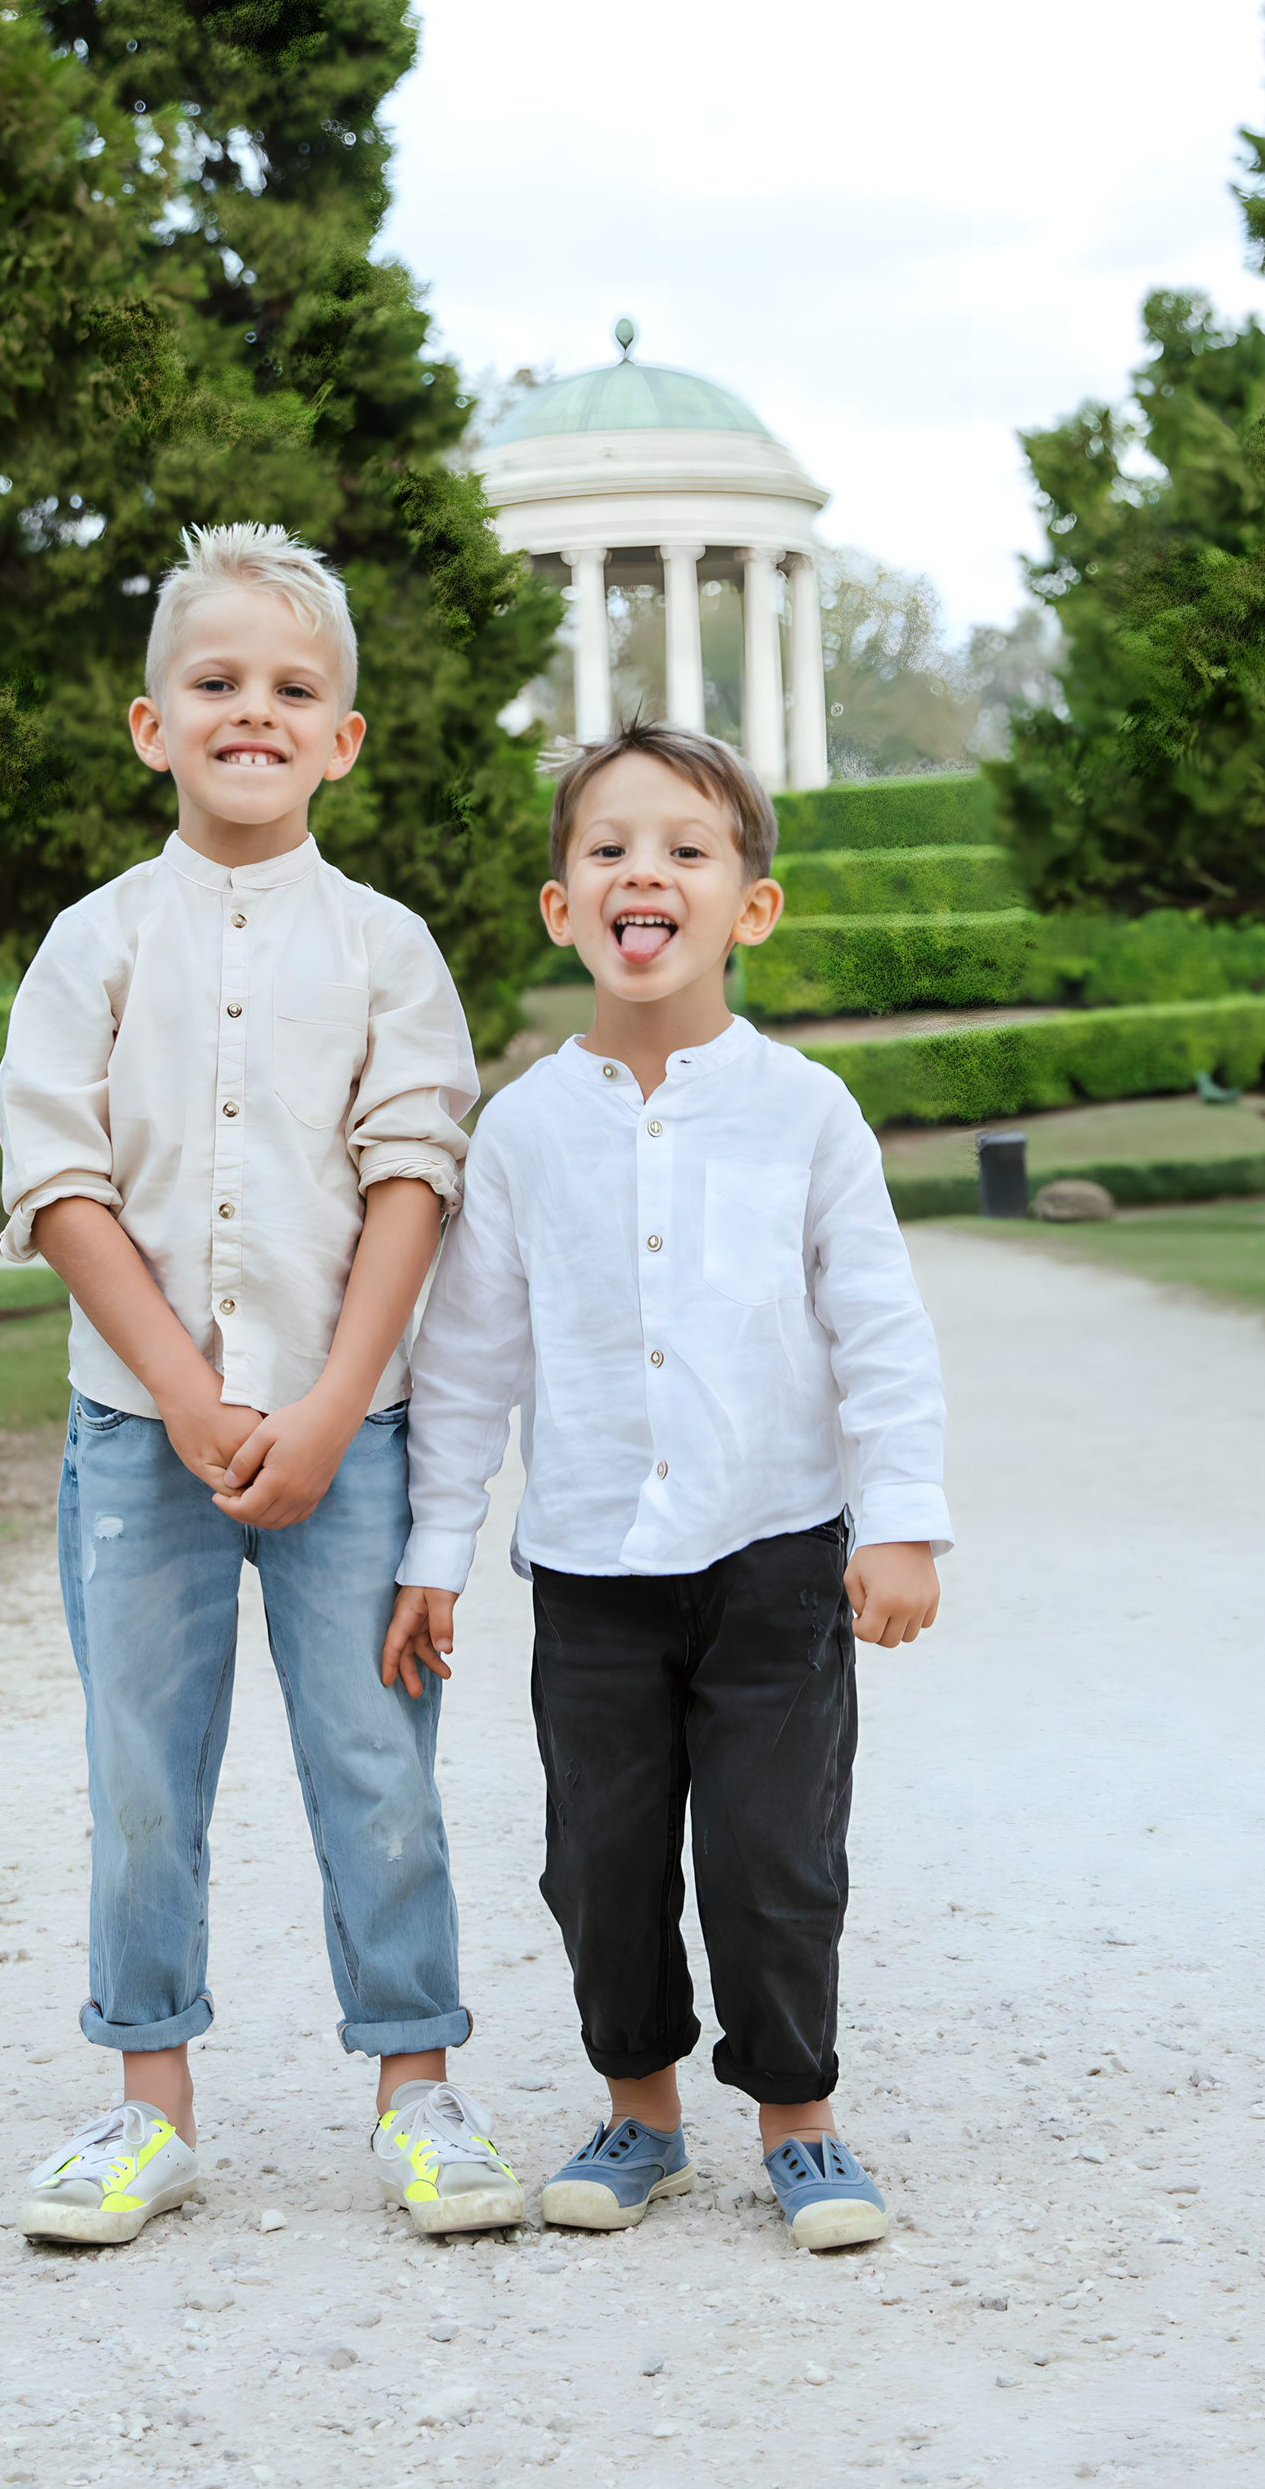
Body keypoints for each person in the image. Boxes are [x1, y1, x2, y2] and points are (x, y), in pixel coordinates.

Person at [0, 525, 522, 2247]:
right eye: (215, 681)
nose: (254, 711)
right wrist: (186, 1389)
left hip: (347, 1437)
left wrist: (330, 1405)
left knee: (377, 1764)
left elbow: (413, 1179)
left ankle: (417, 2089)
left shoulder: (387, 949)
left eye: (293, 688)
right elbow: (59, 1181)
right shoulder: (93, 943)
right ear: (152, 724)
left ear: (341, 739)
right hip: (137, 1434)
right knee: (142, 1769)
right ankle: (148, 2104)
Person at [384, 717, 951, 2254]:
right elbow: (468, 1362)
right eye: (610, 848)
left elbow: (878, 1326)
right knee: (602, 1863)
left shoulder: (806, 1110)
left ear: (749, 905)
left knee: (774, 1856)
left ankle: (799, 2122)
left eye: (686, 849)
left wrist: (902, 1518)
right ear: (561, 904)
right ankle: (641, 2112)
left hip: (776, 1556)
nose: (646, 872)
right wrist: (435, 1550)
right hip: (589, 1572)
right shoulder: (520, 1130)